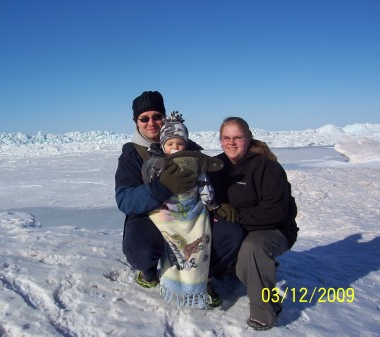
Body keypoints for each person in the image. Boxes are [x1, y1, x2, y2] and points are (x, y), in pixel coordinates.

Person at [115, 91, 245, 307]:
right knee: (140, 249)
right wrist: (160, 188)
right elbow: (125, 200)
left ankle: (202, 278)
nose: (151, 123)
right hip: (153, 217)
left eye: (156, 116)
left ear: (165, 117)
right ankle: (148, 273)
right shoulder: (132, 155)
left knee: (231, 233)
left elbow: (207, 182)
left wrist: (218, 204)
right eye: (144, 118)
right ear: (135, 121)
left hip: (190, 215)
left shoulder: (189, 149)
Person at [208, 117, 299, 330]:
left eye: (237, 137)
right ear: (220, 141)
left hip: (273, 230)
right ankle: (216, 275)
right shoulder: (215, 166)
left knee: (252, 249)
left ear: (248, 138)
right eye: (226, 138)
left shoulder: (268, 168)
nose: (231, 142)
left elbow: (276, 212)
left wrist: (236, 215)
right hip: (238, 229)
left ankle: (266, 310)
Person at [141, 111, 224, 308]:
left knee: (200, 235)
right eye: (170, 144)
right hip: (168, 208)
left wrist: (210, 203)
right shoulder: (157, 164)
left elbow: (204, 185)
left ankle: (199, 281)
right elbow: (149, 184)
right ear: (163, 146)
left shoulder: (196, 163)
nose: (175, 148)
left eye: (179, 144)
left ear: (186, 144)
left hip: (192, 207)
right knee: (167, 236)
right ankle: (168, 275)